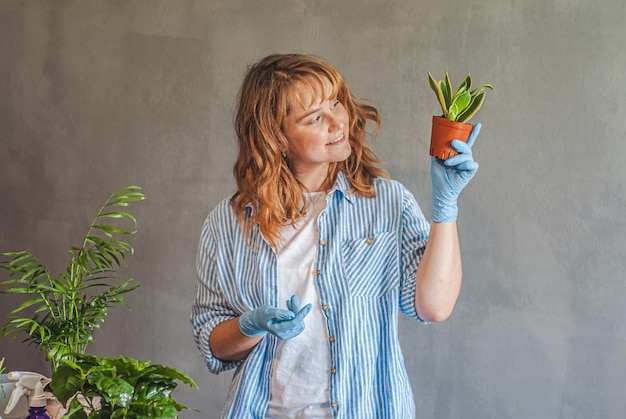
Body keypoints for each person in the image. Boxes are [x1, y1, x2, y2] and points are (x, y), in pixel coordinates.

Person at [191, 53, 481, 418]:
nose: (337, 121)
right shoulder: (227, 224)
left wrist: (445, 207)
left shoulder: (386, 204)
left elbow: (433, 307)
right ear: (277, 137)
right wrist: (252, 326)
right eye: (315, 118)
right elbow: (213, 343)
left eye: (336, 103)